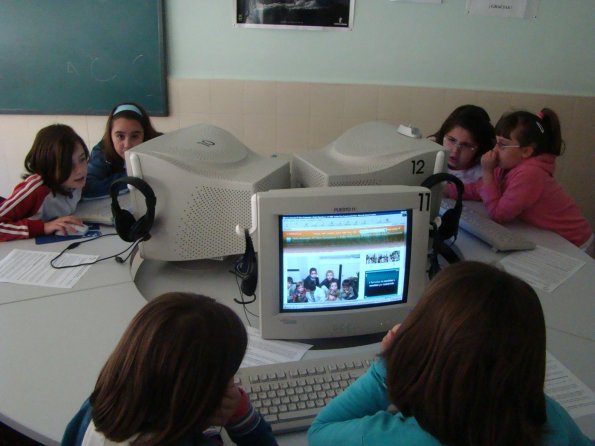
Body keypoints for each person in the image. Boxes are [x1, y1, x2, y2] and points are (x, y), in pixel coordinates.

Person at [308, 261, 591, 446]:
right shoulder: (548, 418)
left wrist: (388, 365)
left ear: (418, 351)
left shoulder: (394, 439)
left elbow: (320, 431)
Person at [62, 292, 278, 446]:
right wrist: (240, 416)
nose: (232, 382)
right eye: (229, 374)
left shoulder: (95, 408)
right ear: (199, 394)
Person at [446, 108, 592, 250]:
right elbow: (479, 189)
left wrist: (487, 172)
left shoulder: (530, 174)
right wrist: (447, 190)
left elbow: (498, 214)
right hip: (546, 235)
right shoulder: (507, 165)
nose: (495, 150)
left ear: (526, 151)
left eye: (502, 144)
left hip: (573, 241)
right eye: (495, 143)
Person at [0, 124, 88, 242]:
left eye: (82, 159)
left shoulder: (75, 181)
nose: (81, 170)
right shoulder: (36, 190)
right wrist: (43, 227)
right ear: (48, 166)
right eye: (68, 165)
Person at [83, 102, 162, 199]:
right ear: (110, 135)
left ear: (145, 135)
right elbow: (88, 187)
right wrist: (134, 174)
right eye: (120, 136)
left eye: (135, 136)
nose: (127, 144)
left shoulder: (159, 143)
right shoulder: (101, 151)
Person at [430, 104, 495, 183]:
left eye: (466, 145)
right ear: (443, 135)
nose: (455, 151)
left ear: (479, 149)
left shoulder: (482, 176)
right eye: (451, 140)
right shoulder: (428, 154)